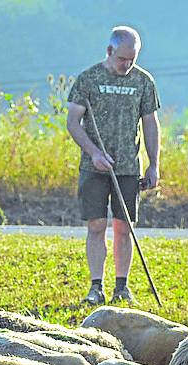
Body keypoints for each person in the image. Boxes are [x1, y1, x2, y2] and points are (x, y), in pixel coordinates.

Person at [66, 26, 161, 305]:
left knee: (124, 226)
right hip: (94, 167)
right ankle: (96, 287)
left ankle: (122, 287)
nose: (127, 64)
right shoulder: (88, 79)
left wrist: (153, 164)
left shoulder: (144, 82)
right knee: (96, 225)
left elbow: (151, 124)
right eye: (122, 59)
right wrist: (94, 152)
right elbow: (73, 122)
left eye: (132, 58)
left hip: (129, 167)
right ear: (109, 51)